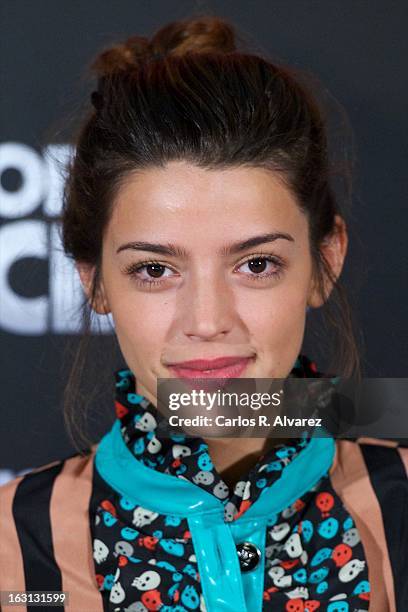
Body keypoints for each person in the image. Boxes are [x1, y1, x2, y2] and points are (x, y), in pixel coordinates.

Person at [0, 15, 407, 612]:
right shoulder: (13, 550)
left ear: (325, 261)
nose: (209, 319)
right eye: (155, 270)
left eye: (257, 264)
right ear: (95, 282)